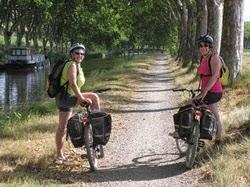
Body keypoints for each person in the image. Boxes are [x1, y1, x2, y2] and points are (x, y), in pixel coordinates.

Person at [55, 43, 100, 163]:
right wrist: (80, 98)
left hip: (70, 96)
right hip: (66, 98)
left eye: (82, 54)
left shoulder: (77, 65)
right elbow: (73, 84)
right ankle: (59, 155)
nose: (80, 55)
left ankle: (95, 128)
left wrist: (80, 96)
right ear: (72, 54)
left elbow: (76, 86)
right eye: (77, 53)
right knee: (62, 127)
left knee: (94, 97)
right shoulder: (72, 65)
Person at [195, 34, 223, 144]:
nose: (202, 47)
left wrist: (205, 91)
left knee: (195, 104)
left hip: (214, 91)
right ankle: (199, 131)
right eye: (200, 45)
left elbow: (215, 76)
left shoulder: (214, 58)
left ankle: (218, 139)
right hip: (206, 90)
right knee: (206, 111)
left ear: (210, 46)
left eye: (205, 45)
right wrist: (200, 89)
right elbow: (201, 75)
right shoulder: (203, 58)